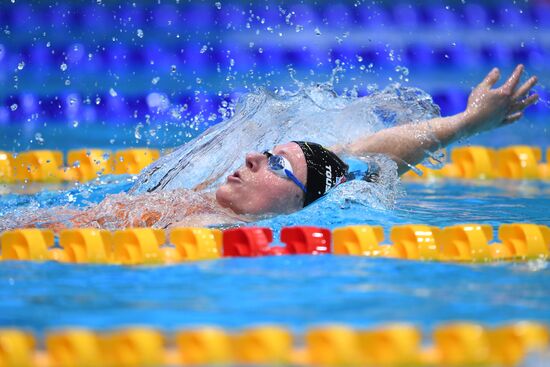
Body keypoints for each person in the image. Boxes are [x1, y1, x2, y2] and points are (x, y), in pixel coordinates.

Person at [1, 65, 539, 231]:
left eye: (278, 165)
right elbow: (371, 151)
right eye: (266, 152)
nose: (252, 157)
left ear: (298, 203)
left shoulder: (218, 231)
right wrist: (466, 123)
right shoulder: (203, 204)